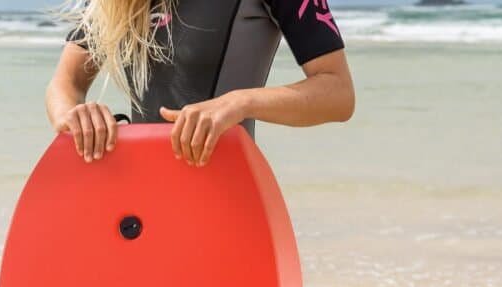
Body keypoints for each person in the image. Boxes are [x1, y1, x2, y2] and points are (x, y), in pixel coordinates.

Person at [45, 0, 355, 166]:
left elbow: (338, 92)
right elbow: (66, 82)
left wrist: (239, 102)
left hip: (225, 201)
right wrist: (72, 116)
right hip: (134, 207)